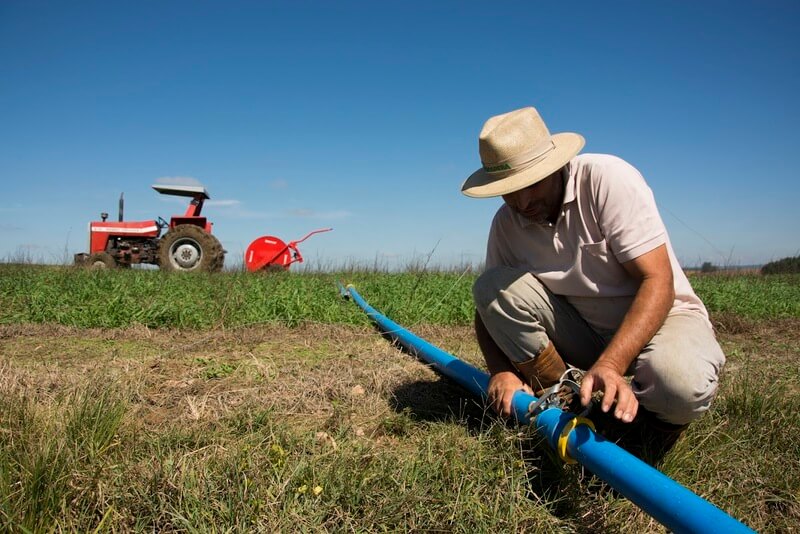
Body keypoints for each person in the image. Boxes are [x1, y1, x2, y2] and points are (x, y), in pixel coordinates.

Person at [461, 107, 725, 448]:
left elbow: (658, 281)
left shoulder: (607, 179)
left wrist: (613, 363)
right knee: (491, 286)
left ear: (554, 165)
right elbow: (489, 306)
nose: (522, 201)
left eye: (532, 183)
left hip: (662, 318)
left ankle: (650, 432)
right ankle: (568, 398)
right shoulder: (505, 225)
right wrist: (501, 371)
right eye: (509, 190)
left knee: (678, 384)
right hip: (585, 332)